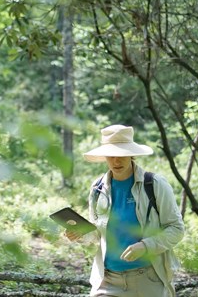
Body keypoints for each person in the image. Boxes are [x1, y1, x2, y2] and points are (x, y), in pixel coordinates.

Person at [66, 124, 185, 297]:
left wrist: (145, 246)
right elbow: (97, 235)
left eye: (121, 154)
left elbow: (176, 229)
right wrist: (80, 234)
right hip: (107, 281)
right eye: (111, 155)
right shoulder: (97, 189)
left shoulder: (154, 185)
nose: (116, 160)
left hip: (148, 280)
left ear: (132, 154)